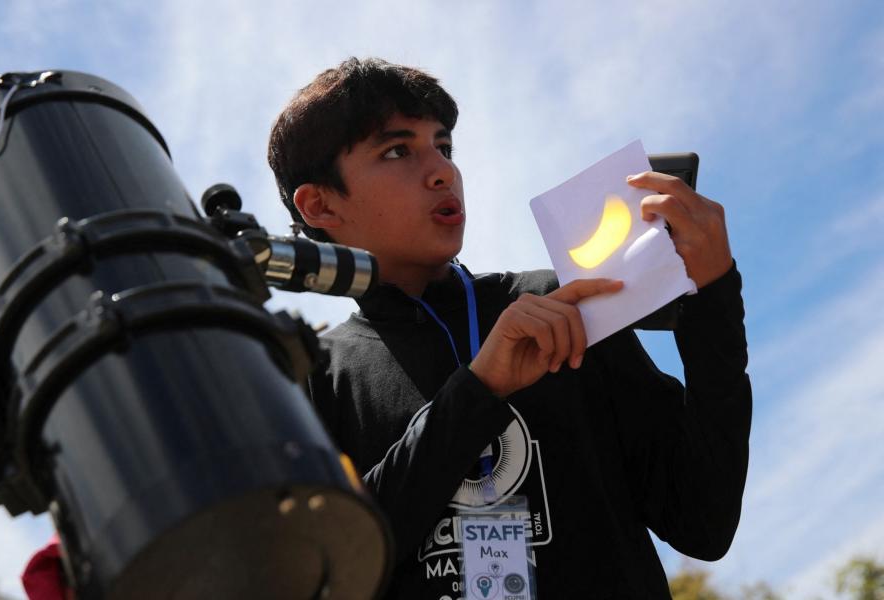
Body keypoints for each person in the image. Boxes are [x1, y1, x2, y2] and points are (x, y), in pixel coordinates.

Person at [267, 57, 751, 599]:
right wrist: (477, 392)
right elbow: (326, 574)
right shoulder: (314, 373)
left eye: (444, 147)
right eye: (398, 150)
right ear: (319, 204)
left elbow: (704, 521)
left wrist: (713, 304)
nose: (443, 171)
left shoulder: (564, 302)